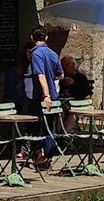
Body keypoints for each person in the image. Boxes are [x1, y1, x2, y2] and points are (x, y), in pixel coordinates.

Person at [28, 27, 63, 163]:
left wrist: (46, 95)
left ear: (32, 38)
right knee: (49, 127)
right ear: (46, 38)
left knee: (34, 126)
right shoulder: (53, 54)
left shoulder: (36, 54)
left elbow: (40, 75)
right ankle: (47, 156)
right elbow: (61, 75)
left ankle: (40, 154)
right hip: (54, 96)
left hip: (41, 97)